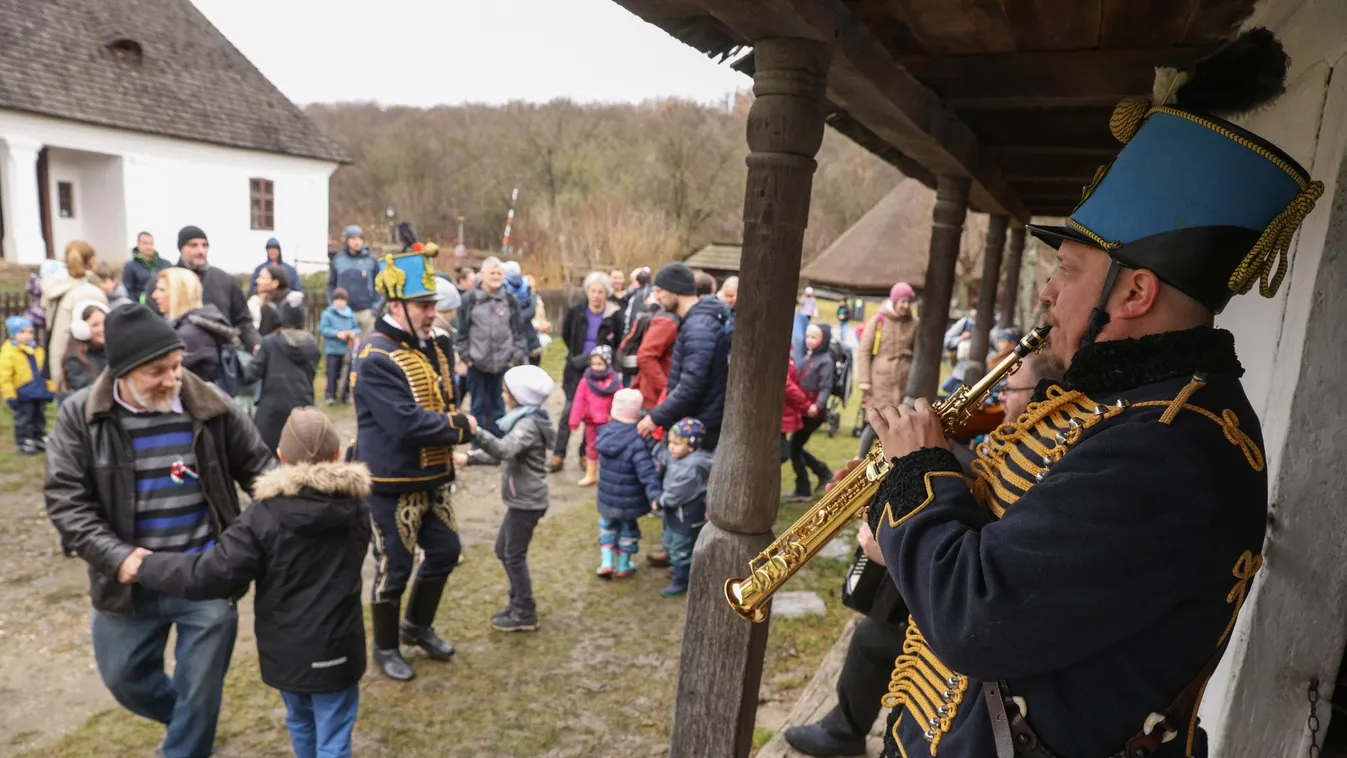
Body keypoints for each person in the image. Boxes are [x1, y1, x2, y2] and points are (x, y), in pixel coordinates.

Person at [857, 29, 1317, 758]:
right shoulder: (1136, 407)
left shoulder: (1167, 444)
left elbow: (981, 617)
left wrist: (918, 476)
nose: (1046, 293)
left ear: (1134, 291)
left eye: (1067, 271)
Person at [784, 352, 1062, 758]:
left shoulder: (1044, 454)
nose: (999, 400)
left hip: (975, 632)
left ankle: (845, 730)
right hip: (959, 603)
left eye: (1009, 390)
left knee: (874, 635)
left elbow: (989, 544)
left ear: (1042, 394)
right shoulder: (1014, 439)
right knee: (875, 627)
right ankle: (845, 727)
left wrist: (895, 543)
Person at [44, 303, 273, 758]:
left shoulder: (210, 403)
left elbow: (262, 471)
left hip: (206, 575)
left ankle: (188, 738)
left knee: (202, 689)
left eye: (176, 365)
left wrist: (296, 513)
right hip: (128, 581)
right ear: (122, 373)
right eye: (158, 372)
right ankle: (189, 720)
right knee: (125, 679)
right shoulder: (80, 417)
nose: (173, 380)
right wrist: (118, 558)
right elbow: (67, 503)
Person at [133, 407, 368, 758]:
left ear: (281, 457)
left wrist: (147, 566)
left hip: (286, 649)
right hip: (340, 644)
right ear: (337, 454)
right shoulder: (358, 507)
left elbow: (209, 574)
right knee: (334, 734)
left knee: (300, 720)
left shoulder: (262, 517)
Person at [351, 247, 477, 682]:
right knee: (394, 568)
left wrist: (451, 427)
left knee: (445, 552)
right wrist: (461, 427)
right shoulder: (374, 356)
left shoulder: (438, 341)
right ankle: (384, 648)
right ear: (396, 305)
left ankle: (416, 627)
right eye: (423, 306)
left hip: (434, 476)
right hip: (390, 481)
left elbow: (445, 394)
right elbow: (404, 423)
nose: (432, 313)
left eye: (433, 304)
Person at [460, 364, 556, 632]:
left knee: (512, 555)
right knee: (503, 550)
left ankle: (525, 612)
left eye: (506, 391)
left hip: (527, 503)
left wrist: (475, 431)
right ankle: (517, 604)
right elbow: (504, 453)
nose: (503, 395)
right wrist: (468, 458)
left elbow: (503, 450)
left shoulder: (527, 424)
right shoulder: (523, 420)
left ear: (520, 395)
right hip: (521, 501)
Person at [636, 263, 731, 450]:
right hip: (693, 422)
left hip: (698, 429)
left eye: (660, 290)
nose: (656, 296)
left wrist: (656, 417)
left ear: (675, 290)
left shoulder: (699, 327)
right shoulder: (694, 322)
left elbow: (692, 384)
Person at [551, 271, 623, 470]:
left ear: (606, 293)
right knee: (569, 411)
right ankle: (558, 453)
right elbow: (566, 334)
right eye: (593, 291)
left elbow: (617, 342)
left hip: (600, 370)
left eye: (601, 292)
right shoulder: (576, 311)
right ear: (587, 291)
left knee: (594, 413)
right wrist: (577, 357)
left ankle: (585, 453)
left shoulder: (613, 314)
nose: (597, 295)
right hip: (576, 367)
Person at [455, 256, 528, 439]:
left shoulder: (511, 300)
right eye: (492, 272)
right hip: (477, 363)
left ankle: (498, 444)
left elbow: (519, 332)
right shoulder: (469, 300)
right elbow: (462, 333)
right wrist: (467, 357)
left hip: (503, 363)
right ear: (482, 275)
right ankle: (477, 442)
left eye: (499, 273)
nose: (496, 276)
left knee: (499, 406)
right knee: (477, 406)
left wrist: (515, 357)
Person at [595, 388, 661, 579]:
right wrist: (654, 495)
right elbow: (647, 472)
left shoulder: (604, 434)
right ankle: (623, 565)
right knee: (628, 531)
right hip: (629, 502)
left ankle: (606, 562)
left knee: (606, 526)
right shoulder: (637, 441)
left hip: (607, 499)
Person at [244, 294, 320, 453]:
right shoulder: (313, 345)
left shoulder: (270, 342)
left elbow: (251, 374)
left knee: (267, 460)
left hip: (271, 411)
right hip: (303, 408)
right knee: (301, 456)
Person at [854, 281, 918, 457]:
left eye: (908, 302)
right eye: (902, 301)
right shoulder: (878, 321)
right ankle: (860, 458)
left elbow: (918, 352)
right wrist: (865, 380)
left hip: (903, 380)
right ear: (894, 301)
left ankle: (892, 459)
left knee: (899, 421)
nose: (905, 305)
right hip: (880, 380)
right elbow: (864, 351)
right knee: (875, 421)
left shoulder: (914, 323)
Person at [651, 417, 713, 597]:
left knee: (681, 546)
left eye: (676, 444)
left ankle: (681, 580)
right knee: (670, 541)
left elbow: (677, 493)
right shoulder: (678, 456)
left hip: (685, 515)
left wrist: (661, 501)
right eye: (670, 442)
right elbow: (663, 455)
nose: (671, 447)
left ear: (691, 446)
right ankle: (678, 567)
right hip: (675, 514)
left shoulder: (690, 466)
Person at [176, 226, 261, 354]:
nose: (201, 251)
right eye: (193, 245)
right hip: (180, 357)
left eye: (204, 245)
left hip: (220, 359)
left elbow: (242, 321)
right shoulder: (166, 281)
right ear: (181, 248)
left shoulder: (225, 280)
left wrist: (255, 344)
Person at [152, 268, 240, 389]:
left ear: (178, 294)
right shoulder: (195, 325)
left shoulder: (189, 334)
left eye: (161, 290)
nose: (154, 295)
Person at [41, 240, 107, 393]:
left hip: (60, 361)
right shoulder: (88, 292)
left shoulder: (57, 286)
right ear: (91, 260)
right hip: (83, 367)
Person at [791, 323, 836, 497]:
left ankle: (805, 487)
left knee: (794, 448)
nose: (809, 340)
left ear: (823, 340)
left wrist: (818, 406)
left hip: (813, 412)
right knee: (795, 447)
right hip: (802, 408)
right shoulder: (808, 357)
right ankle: (821, 472)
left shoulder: (825, 361)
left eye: (814, 337)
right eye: (808, 336)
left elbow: (826, 387)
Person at [567, 345, 620, 487]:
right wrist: (574, 420)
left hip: (609, 422)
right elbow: (578, 400)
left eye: (600, 364)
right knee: (591, 447)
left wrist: (615, 416)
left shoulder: (614, 382)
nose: (595, 367)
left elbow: (619, 400)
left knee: (609, 448)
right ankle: (591, 474)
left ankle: (607, 474)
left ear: (607, 364)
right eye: (593, 363)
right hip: (591, 422)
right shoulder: (585, 381)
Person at [1, 315, 54, 454]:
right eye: (22, 332)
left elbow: (46, 370)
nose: (27, 336)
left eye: (30, 332)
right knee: (25, 418)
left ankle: (39, 436)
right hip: (23, 392)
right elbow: (4, 377)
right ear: (13, 334)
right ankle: (25, 439)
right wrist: (10, 395)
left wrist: (50, 388)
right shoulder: (9, 353)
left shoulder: (38, 350)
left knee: (40, 416)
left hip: (39, 391)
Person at [329, 225, 379, 338]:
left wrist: (375, 308)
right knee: (346, 352)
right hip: (343, 312)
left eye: (359, 238)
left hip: (366, 312)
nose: (356, 242)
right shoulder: (338, 260)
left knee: (366, 348)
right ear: (347, 241)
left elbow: (379, 285)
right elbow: (331, 284)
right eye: (352, 238)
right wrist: (333, 304)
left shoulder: (371, 260)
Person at [319, 288, 358, 405]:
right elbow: (323, 329)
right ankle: (330, 395)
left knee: (346, 374)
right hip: (332, 349)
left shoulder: (351, 314)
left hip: (346, 350)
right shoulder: (327, 314)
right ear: (333, 301)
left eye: (342, 300)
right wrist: (337, 334)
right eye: (337, 300)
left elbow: (357, 328)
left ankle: (345, 396)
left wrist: (353, 333)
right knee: (332, 373)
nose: (340, 302)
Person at [63, 300, 110, 392]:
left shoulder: (114, 351)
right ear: (82, 329)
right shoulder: (75, 360)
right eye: (95, 325)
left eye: (105, 323)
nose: (102, 329)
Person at [502, 261, 542, 365]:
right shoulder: (527, 287)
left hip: (511, 338)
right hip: (529, 336)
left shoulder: (503, 288)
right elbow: (531, 311)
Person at [122, 231, 169, 310]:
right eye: (145, 243)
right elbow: (128, 291)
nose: (149, 247)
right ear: (138, 244)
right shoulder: (130, 266)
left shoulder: (165, 264)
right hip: (143, 308)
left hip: (165, 305)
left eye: (151, 243)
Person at [255, 264, 295, 337]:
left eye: (262, 278)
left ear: (275, 283)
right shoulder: (292, 302)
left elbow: (263, 339)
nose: (257, 281)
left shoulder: (268, 308)